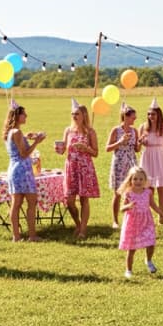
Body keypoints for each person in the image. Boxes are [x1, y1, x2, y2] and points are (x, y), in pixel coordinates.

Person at [2, 100, 46, 242]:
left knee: (16, 204)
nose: (26, 116)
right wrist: (36, 142)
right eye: (24, 114)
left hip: (14, 170)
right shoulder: (17, 132)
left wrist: (27, 137)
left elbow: (17, 144)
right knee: (31, 203)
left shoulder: (10, 132)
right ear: (17, 116)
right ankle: (32, 236)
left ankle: (16, 236)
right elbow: (24, 153)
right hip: (23, 171)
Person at [117, 166, 163, 278]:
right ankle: (128, 270)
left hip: (146, 222)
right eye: (135, 179)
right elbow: (121, 209)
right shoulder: (128, 193)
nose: (138, 181)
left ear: (145, 181)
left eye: (141, 179)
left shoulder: (148, 192)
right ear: (130, 180)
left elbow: (154, 206)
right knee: (132, 249)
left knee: (151, 243)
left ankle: (149, 260)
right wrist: (128, 205)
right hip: (133, 224)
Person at [62, 99, 99, 240]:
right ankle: (78, 224)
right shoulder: (68, 130)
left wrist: (86, 148)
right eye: (72, 114)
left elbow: (96, 153)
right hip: (71, 167)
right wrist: (59, 149)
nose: (74, 116)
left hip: (85, 168)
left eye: (76, 114)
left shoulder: (90, 132)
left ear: (84, 115)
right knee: (69, 200)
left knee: (84, 199)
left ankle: (83, 230)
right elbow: (64, 149)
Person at [105, 102, 140, 228]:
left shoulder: (135, 131)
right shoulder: (116, 130)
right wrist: (120, 142)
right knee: (118, 193)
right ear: (125, 116)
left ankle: (131, 218)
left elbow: (136, 149)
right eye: (133, 117)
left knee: (133, 190)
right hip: (119, 163)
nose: (135, 119)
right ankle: (115, 221)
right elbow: (107, 148)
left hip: (131, 163)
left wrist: (140, 142)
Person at [139, 98, 163, 221]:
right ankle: (148, 214)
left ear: (158, 114)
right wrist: (140, 141)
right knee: (148, 188)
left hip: (160, 156)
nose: (150, 116)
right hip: (147, 157)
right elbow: (137, 147)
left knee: (161, 187)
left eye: (153, 114)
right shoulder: (143, 127)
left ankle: (161, 215)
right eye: (148, 114)